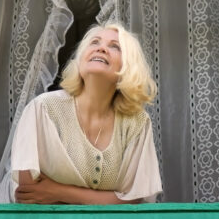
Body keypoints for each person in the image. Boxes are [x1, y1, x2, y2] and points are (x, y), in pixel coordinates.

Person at [9, 23, 162, 204]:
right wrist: (108, 199)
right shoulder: (42, 109)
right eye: (94, 42)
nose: (101, 48)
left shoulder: (137, 122)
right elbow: (30, 195)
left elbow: (135, 199)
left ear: (128, 68)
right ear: (80, 60)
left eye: (115, 46)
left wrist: (58, 191)